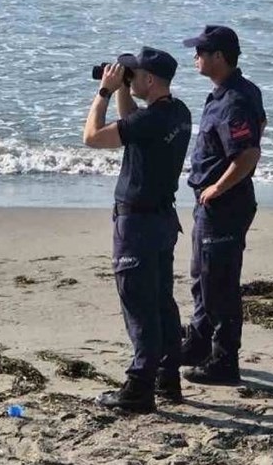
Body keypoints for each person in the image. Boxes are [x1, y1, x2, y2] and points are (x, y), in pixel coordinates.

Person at [82, 46, 192, 413]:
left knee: (138, 304)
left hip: (138, 222)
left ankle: (139, 389)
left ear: (149, 79)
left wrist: (104, 92)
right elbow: (134, 127)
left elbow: (93, 137)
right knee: (161, 300)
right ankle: (167, 378)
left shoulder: (150, 122)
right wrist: (125, 90)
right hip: (162, 219)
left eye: (135, 75)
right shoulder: (177, 114)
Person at [180, 25, 265, 386]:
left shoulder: (235, 99)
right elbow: (260, 125)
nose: (195, 56)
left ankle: (224, 361)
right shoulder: (225, 93)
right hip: (212, 203)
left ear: (219, 56)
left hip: (225, 204)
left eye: (201, 51)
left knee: (220, 285)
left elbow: (248, 153)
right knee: (202, 278)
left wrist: (217, 186)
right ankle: (199, 345)